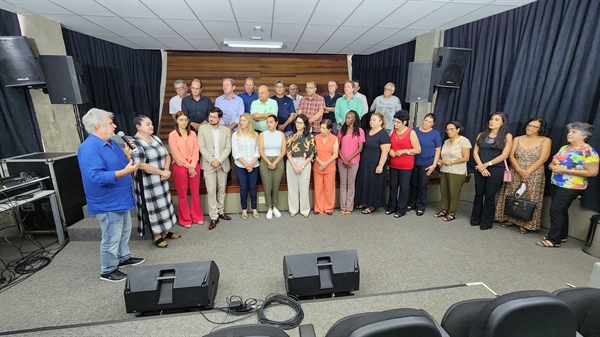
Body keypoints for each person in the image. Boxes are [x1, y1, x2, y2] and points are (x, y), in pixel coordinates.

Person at [78, 108, 144, 282]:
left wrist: (128, 155)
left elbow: (121, 164)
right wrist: (125, 171)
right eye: (110, 123)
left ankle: (123, 257)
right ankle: (107, 269)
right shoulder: (88, 148)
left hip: (122, 198)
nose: (115, 126)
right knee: (111, 236)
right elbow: (96, 176)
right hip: (107, 202)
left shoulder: (111, 143)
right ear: (98, 126)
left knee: (123, 231)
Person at [536, 122, 598, 248]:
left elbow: (593, 172)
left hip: (571, 186)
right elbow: (552, 163)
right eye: (569, 132)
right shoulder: (564, 148)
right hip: (556, 183)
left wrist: (566, 171)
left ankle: (553, 240)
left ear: (584, 136)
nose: (569, 134)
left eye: (574, 132)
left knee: (556, 210)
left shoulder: (588, 151)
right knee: (561, 210)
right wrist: (552, 166)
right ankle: (561, 235)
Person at [495, 117, 551, 234]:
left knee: (529, 197)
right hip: (516, 170)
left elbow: (543, 158)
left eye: (534, 126)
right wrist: (519, 170)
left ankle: (525, 223)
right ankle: (510, 218)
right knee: (512, 194)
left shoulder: (545, 140)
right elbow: (511, 156)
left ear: (540, 129)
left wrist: (528, 171)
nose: (530, 128)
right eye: (528, 125)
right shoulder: (517, 139)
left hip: (534, 173)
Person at [132, 115, 180, 248]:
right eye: (147, 124)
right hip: (148, 182)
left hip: (162, 179)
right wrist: (161, 172)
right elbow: (140, 165)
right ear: (138, 127)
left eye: (151, 123)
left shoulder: (156, 138)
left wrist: (165, 169)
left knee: (164, 205)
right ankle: (157, 236)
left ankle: (166, 230)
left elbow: (167, 155)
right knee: (153, 208)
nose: (151, 126)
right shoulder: (135, 142)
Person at [470, 112, 513, 230]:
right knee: (479, 194)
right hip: (480, 168)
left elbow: (504, 155)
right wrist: (481, 166)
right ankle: (475, 219)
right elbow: (475, 152)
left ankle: (486, 222)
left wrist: (486, 165)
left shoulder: (507, 136)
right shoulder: (481, 135)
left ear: (503, 123)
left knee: (489, 196)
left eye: (496, 119)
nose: (492, 121)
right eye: (491, 119)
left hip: (496, 169)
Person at [198, 107, 233, 230]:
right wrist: (212, 161)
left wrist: (219, 161)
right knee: (211, 191)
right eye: (210, 116)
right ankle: (213, 216)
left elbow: (228, 148)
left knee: (222, 189)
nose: (211, 119)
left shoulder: (226, 131)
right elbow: (201, 147)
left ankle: (221, 211)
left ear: (220, 118)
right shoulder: (202, 129)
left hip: (223, 164)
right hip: (209, 164)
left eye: (214, 117)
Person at [168, 111, 204, 228]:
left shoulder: (193, 134)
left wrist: (192, 165)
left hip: (194, 165)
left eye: (185, 119)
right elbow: (175, 154)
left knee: (195, 193)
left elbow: (196, 151)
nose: (184, 122)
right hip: (180, 166)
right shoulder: (172, 135)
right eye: (181, 120)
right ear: (176, 121)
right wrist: (188, 166)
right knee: (182, 194)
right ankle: (185, 219)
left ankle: (197, 216)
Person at [435, 121, 472, 222]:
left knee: (453, 192)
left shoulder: (464, 141)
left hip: (457, 171)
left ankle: (452, 212)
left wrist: (451, 162)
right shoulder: (446, 141)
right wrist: (439, 160)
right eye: (447, 129)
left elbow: (466, 157)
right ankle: (444, 210)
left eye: (451, 129)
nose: (449, 131)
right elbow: (442, 155)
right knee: (444, 191)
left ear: (458, 129)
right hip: (444, 170)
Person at [387, 110, 421, 218]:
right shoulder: (392, 132)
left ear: (404, 122)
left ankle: (401, 209)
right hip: (393, 164)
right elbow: (387, 145)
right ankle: (391, 207)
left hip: (406, 165)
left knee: (404, 187)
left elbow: (418, 150)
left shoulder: (411, 133)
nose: (395, 124)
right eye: (394, 121)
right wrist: (390, 150)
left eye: (397, 122)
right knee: (393, 186)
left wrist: (405, 151)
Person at [355, 113, 391, 214]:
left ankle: (372, 205)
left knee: (373, 184)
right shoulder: (367, 131)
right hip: (365, 163)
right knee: (365, 182)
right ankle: (364, 202)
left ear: (380, 122)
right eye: (371, 120)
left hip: (376, 163)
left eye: (374, 120)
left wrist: (380, 165)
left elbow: (385, 151)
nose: (371, 121)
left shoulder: (383, 134)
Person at [408, 113, 442, 216]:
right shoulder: (414, 130)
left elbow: (437, 150)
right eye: (425, 120)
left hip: (427, 164)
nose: (426, 123)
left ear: (433, 123)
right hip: (413, 162)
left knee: (422, 185)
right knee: (413, 184)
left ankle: (421, 206)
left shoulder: (435, 134)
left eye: (429, 122)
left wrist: (434, 165)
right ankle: (411, 203)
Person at [286, 114, 316, 218]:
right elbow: (288, 152)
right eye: (296, 122)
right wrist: (294, 166)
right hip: (292, 162)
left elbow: (312, 153)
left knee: (304, 187)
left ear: (305, 124)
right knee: (292, 187)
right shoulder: (291, 136)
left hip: (305, 162)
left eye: (300, 123)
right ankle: (293, 209)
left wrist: (302, 166)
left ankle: (304, 209)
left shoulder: (310, 136)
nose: (297, 124)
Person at [258, 115, 287, 220]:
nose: (269, 124)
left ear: (276, 123)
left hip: (278, 160)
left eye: (271, 122)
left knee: (275, 185)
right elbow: (261, 151)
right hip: (265, 160)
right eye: (267, 122)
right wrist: (269, 162)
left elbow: (283, 151)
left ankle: (275, 206)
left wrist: (275, 162)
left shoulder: (281, 134)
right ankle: (269, 208)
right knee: (267, 185)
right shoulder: (262, 134)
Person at [232, 113, 260, 220]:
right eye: (241, 120)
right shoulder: (235, 135)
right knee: (243, 187)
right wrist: (246, 164)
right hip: (240, 165)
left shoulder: (256, 135)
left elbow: (257, 151)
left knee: (253, 187)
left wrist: (251, 164)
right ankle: (244, 209)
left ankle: (254, 208)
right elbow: (236, 152)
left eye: (244, 120)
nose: (242, 122)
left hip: (254, 165)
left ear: (249, 122)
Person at [337, 110, 365, 215]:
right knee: (343, 183)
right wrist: (343, 158)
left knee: (351, 184)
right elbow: (338, 146)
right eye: (346, 117)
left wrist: (348, 159)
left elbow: (360, 148)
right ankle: (343, 206)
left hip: (353, 161)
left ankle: (349, 207)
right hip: (341, 160)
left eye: (349, 118)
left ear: (354, 119)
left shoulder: (360, 131)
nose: (347, 120)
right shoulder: (341, 130)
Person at [313, 119, 339, 215]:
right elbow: (313, 153)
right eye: (321, 127)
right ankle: (318, 208)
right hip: (318, 166)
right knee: (318, 188)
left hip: (330, 167)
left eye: (324, 128)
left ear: (329, 129)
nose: (321, 130)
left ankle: (328, 208)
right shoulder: (315, 138)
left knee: (329, 188)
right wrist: (321, 163)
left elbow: (335, 154)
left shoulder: (334, 139)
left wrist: (325, 164)